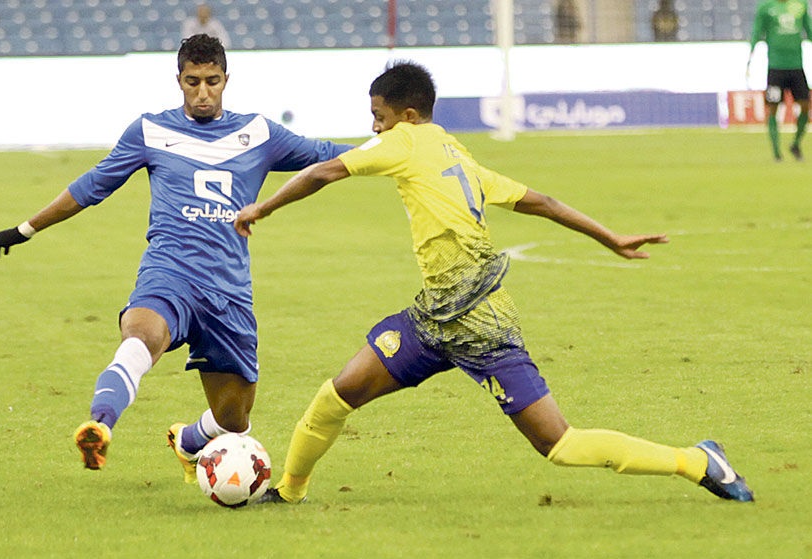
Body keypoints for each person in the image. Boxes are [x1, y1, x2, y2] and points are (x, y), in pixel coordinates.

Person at [234, 61, 755, 505]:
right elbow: (543, 203)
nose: (375, 129)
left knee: (559, 444)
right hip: (434, 318)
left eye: (379, 118)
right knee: (338, 394)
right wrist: (608, 237)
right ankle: (289, 493)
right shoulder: (458, 154)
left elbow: (324, 172)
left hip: (482, 324)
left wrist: (265, 205)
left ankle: (696, 460)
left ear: (407, 116)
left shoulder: (407, 142)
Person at [0, 34, 352, 481]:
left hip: (228, 291)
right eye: (192, 81)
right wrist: (26, 229)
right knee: (140, 337)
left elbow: (326, 157)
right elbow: (91, 186)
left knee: (233, 419)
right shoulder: (150, 131)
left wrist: (400, 150)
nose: (202, 92)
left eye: (211, 82)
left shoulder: (259, 133)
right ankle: (100, 425)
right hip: (168, 273)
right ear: (178, 79)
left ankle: (189, 441)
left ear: (226, 80)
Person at [748, 0, 812, 161]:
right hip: (776, 67)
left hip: (796, 66)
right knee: (773, 107)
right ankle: (777, 153)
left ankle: (796, 143)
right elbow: (757, 31)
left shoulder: (800, 5)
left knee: (805, 105)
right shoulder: (766, 7)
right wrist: (750, 55)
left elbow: (809, 30)